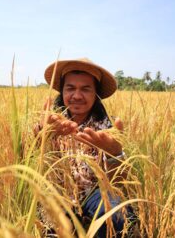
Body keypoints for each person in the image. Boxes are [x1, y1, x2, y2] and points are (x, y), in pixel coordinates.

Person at [39, 58, 137, 237]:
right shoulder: (48, 122)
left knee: (116, 217)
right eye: (70, 88)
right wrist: (41, 136)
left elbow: (118, 184)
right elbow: (30, 164)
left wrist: (115, 153)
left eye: (85, 89)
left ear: (96, 94)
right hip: (58, 195)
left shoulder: (109, 128)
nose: (77, 95)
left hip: (95, 195)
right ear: (61, 92)